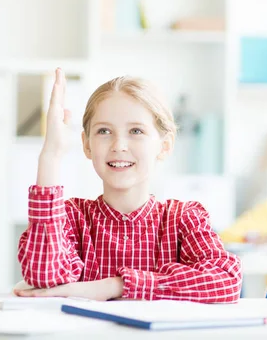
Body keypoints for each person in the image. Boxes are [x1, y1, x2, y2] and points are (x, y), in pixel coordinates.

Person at [15, 68, 242, 302]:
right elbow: (43, 275)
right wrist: (51, 155)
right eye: (104, 131)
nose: (119, 145)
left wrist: (117, 286)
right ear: (87, 145)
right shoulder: (72, 219)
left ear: (164, 145)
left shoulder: (183, 220)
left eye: (136, 131)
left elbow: (226, 280)